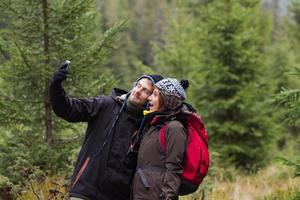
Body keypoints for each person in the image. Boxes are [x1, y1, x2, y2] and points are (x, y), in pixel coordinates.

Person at [49, 62, 163, 200]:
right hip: (85, 191)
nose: (138, 91)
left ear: (151, 98)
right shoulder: (106, 105)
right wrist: (56, 87)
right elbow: (68, 109)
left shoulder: (147, 127)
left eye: (145, 90)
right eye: (138, 85)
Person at [131, 78, 190, 200]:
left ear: (166, 100)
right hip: (141, 194)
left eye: (155, 94)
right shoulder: (154, 126)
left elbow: (174, 168)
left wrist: (168, 197)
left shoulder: (174, 128)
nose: (149, 98)